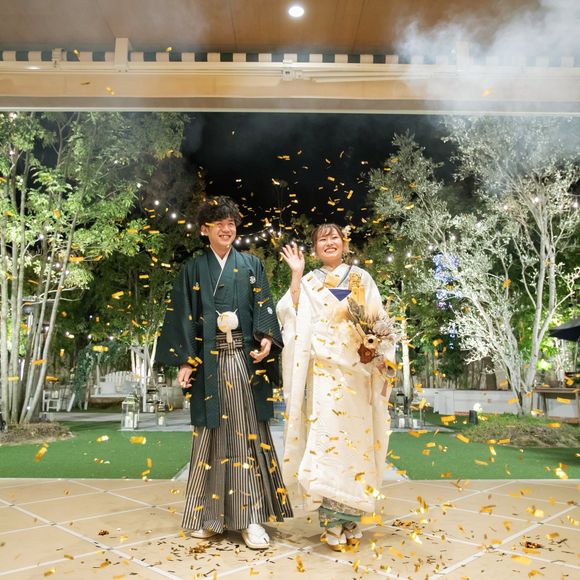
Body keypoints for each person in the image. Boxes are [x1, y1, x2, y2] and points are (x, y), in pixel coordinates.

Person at [156, 196, 292, 550]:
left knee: (247, 433)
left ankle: (250, 517)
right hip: (208, 362)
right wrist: (186, 360)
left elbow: (263, 304)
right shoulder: (193, 268)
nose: (227, 229)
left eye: (231, 223)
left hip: (243, 358)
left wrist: (266, 337)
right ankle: (211, 517)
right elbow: (183, 314)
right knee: (210, 435)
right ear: (205, 230)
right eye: (219, 224)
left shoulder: (251, 264)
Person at [277, 223, 397, 551]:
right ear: (315, 248)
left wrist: (379, 351)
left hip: (358, 375)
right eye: (322, 239)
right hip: (325, 378)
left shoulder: (361, 278)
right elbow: (291, 313)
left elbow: (379, 321)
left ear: (345, 244)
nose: (329, 243)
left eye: (334, 238)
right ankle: (331, 521)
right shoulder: (310, 282)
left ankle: (352, 518)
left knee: (357, 447)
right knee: (327, 446)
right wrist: (296, 273)